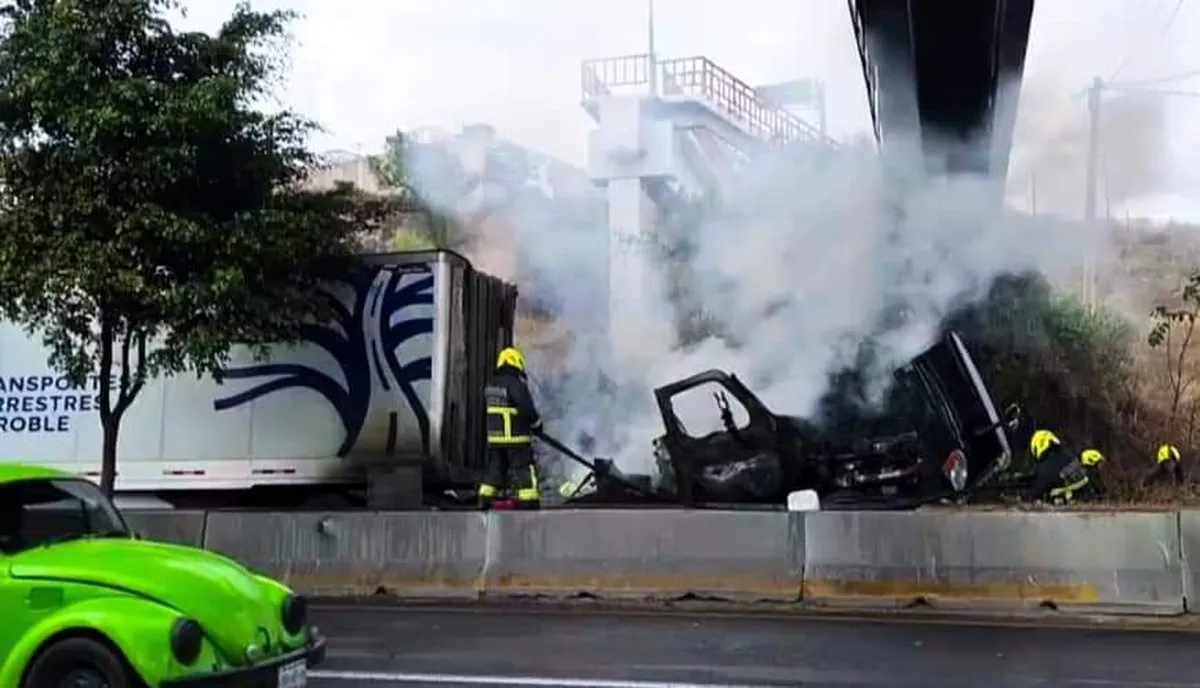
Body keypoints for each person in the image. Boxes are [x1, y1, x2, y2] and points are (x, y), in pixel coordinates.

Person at [478, 346, 544, 510]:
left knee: (496, 469)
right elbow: (526, 408)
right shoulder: (515, 384)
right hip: (516, 438)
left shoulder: (491, 385)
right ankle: (529, 502)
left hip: (495, 439)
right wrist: (536, 425)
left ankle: (484, 498)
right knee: (523, 470)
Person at [1028, 429, 1101, 505]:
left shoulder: (1050, 461)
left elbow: (1042, 483)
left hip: (1074, 495)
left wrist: (1031, 494)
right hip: (1080, 494)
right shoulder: (1065, 453)